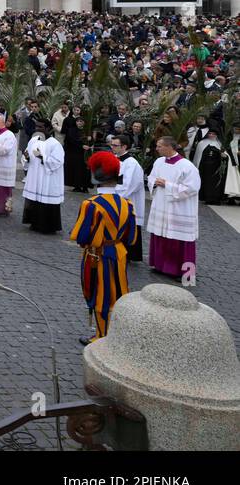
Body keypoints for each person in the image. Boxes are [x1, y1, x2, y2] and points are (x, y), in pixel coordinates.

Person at [70, 152, 138, 345]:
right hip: (119, 253)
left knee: (100, 293)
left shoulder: (91, 204)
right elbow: (132, 238)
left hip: (96, 255)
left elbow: (82, 237)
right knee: (119, 292)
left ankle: (101, 335)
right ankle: (117, 332)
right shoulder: (127, 204)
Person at [145, 135, 201, 279]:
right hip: (161, 205)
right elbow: (151, 177)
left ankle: (182, 272)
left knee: (178, 239)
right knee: (161, 235)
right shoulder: (158, 161)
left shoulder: (187, 166)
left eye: (159, 146)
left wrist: (168, 185)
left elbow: (193, 188)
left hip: (179, 208)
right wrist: (154, 182)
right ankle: (160, 265)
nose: (156, 148)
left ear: (169, 147)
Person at [22, 121, 65, 233]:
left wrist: (43, 158)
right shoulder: (33, 140)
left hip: (48, 178)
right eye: (36, 126)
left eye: (40, 127)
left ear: (48, 128)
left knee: (46, 201)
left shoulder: (55, 144)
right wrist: (26, 157)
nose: (38, 129)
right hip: (35, 176)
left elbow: (58, 161)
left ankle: (47, 226)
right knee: (35, 201)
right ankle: (34, 223)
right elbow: (26, 156)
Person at [110, 133, 145, 263]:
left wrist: (114, 195)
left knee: (128, 225)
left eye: (115, 145)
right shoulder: (114, 158)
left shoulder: (132, 164)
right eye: (111, 144)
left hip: (127, 199)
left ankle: (129, 254)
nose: (112, 147)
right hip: (116, 196)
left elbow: (129, 185)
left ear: (124, 146)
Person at [189, 122, 225, 205]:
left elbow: (225, 156)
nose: (211, 135)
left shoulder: (220, 144)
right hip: (204, 168)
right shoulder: (201, 144)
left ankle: (215, 198)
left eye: (213, 134)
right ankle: (205, 197)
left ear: (216, 135)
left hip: (216, 169)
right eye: (210, 133)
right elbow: (198, 157)